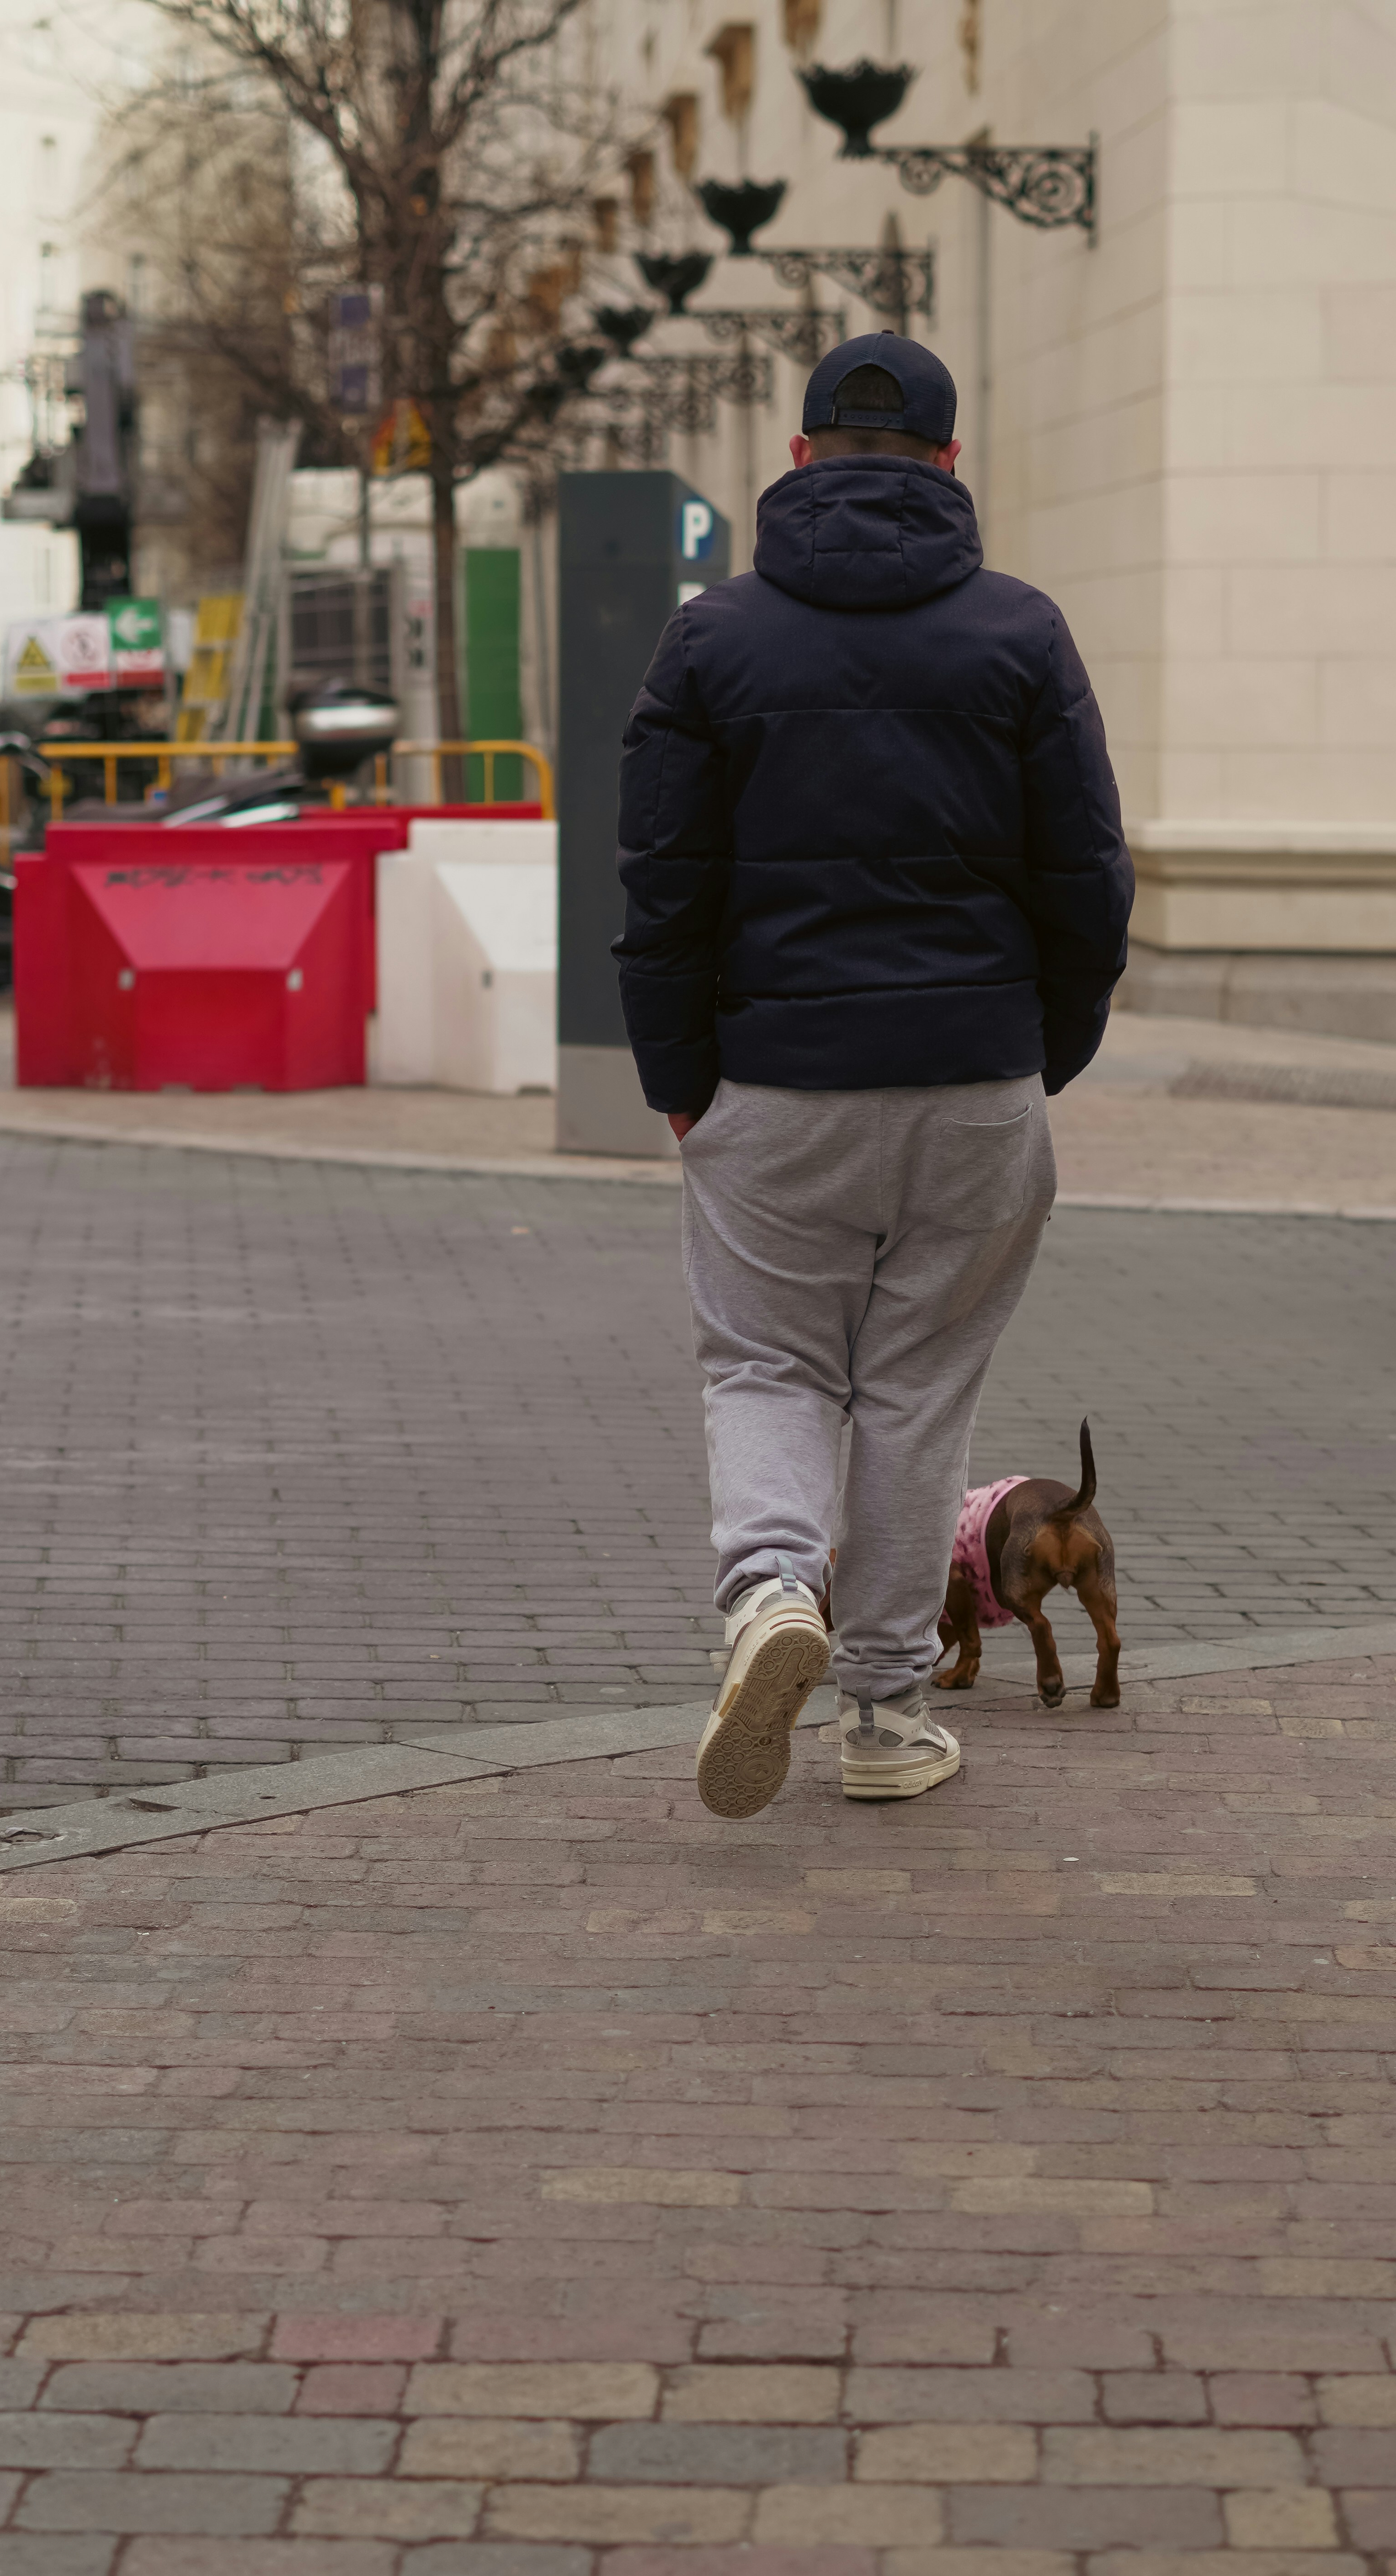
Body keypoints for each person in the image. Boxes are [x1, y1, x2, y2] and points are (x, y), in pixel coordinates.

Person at [614, 332, 1133, 1819]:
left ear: (797, 459)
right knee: (918, 1390)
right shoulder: (1023, 633)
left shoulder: (712, 638)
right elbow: (1088, 878)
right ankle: (889, 1718)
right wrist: (1042, 1051)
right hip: (975, 1078)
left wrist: (680, 1076)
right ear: (951, 464)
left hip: (772, 1078)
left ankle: (774, 1590)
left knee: (768, 1362)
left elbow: (663, 881)